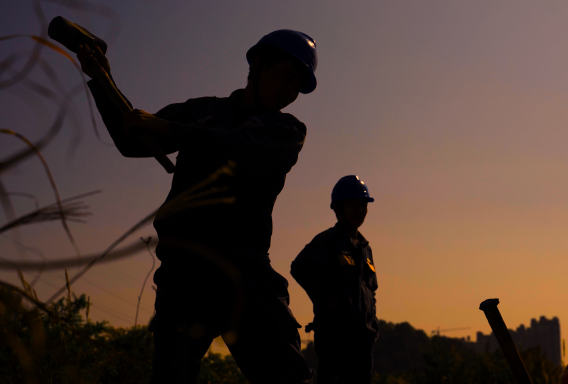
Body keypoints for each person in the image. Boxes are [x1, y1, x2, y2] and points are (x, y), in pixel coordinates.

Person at [77, 29, 318, 384]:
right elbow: (134, 139)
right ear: (259, 65)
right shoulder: (202, 111)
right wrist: (100, 77)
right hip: (186, 271)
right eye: (286, 75)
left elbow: (234, 149)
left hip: (245, 270)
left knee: (286, 377)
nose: (289, 90)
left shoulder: (286, 130)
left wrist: (169, 127)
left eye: (297, 85)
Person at [291, 175, 379, 384]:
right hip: (336, 339)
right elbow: (300, 267)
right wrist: (324, 299)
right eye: (352, 205)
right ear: (338, 209)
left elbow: (371, 289)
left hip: (363, 341)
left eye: (362, 205)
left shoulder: (365, 248)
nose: (359, 211)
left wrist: (372, 323)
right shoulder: (328, 241)